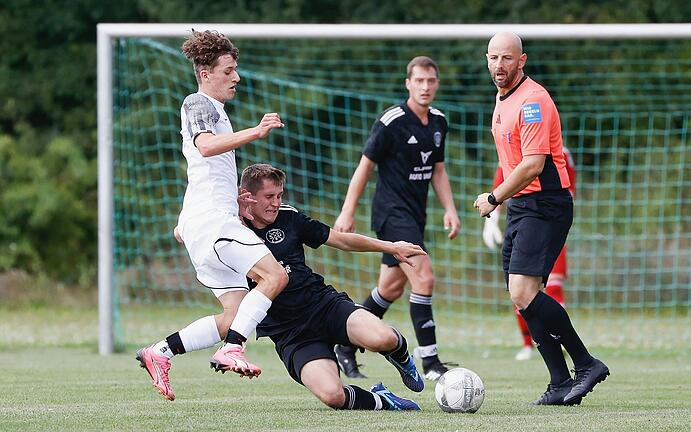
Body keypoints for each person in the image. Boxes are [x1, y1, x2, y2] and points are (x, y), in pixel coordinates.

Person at [136, 30, 290, 401]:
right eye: (229, 70)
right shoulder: (198, 102)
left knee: (232, 317)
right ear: (206, 73)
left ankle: (160, 351)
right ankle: (233, 349)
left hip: (205, 224)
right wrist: (256, 131)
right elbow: (204, 148)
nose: (236, 77)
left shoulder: (214, 111)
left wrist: (186, 222)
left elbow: (203, 172)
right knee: (275, 276)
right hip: (213, 225)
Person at [474, 32, 609, 406]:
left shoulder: (533, 101)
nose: (499, 65)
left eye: (507, 58)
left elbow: (533, 166)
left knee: (523, 292)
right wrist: (502, 206)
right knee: (522, 298)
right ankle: (560, 382)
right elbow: (509, 162)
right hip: (522, 206)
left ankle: (586, 364)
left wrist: (492, 199)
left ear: (522, 60)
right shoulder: (502, 100)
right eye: (493, 58)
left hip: (546, 204)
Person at [240, 163, 425, 410]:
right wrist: (230, 206)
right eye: (269, 197)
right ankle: (384, 400)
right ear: (247, 196)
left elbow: (341, 240)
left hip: (324, 306)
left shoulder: (289, 218)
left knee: (383, 338)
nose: (275, 203)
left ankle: (401, 357)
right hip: (291, 333)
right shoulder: (229, 229)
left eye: (279, 195)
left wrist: (391, 247)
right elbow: (182, 231)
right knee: (332, 396)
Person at [333, 56, 461, 381]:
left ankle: (344, 344)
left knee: (389, 289)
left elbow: (438, 171)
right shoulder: (391, 121)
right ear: (408, 83)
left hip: (416, 216)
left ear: (437, 84)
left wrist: (450, 209)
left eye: (431, 81)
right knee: (424, 276)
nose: (425, 87)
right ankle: (430, 362)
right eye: (419, 80)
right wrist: (348, 211)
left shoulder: (438, 122)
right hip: (391, 214)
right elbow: (365, 167)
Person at [483, 147, 576, 361]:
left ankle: (563, 342)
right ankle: (528, 344)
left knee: (552, 288)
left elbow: (569, 188)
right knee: (519, 289)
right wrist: (494, 216)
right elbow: (501, 181)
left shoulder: (561, 154)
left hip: (547, 220)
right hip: (523, 222)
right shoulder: (509, 151)